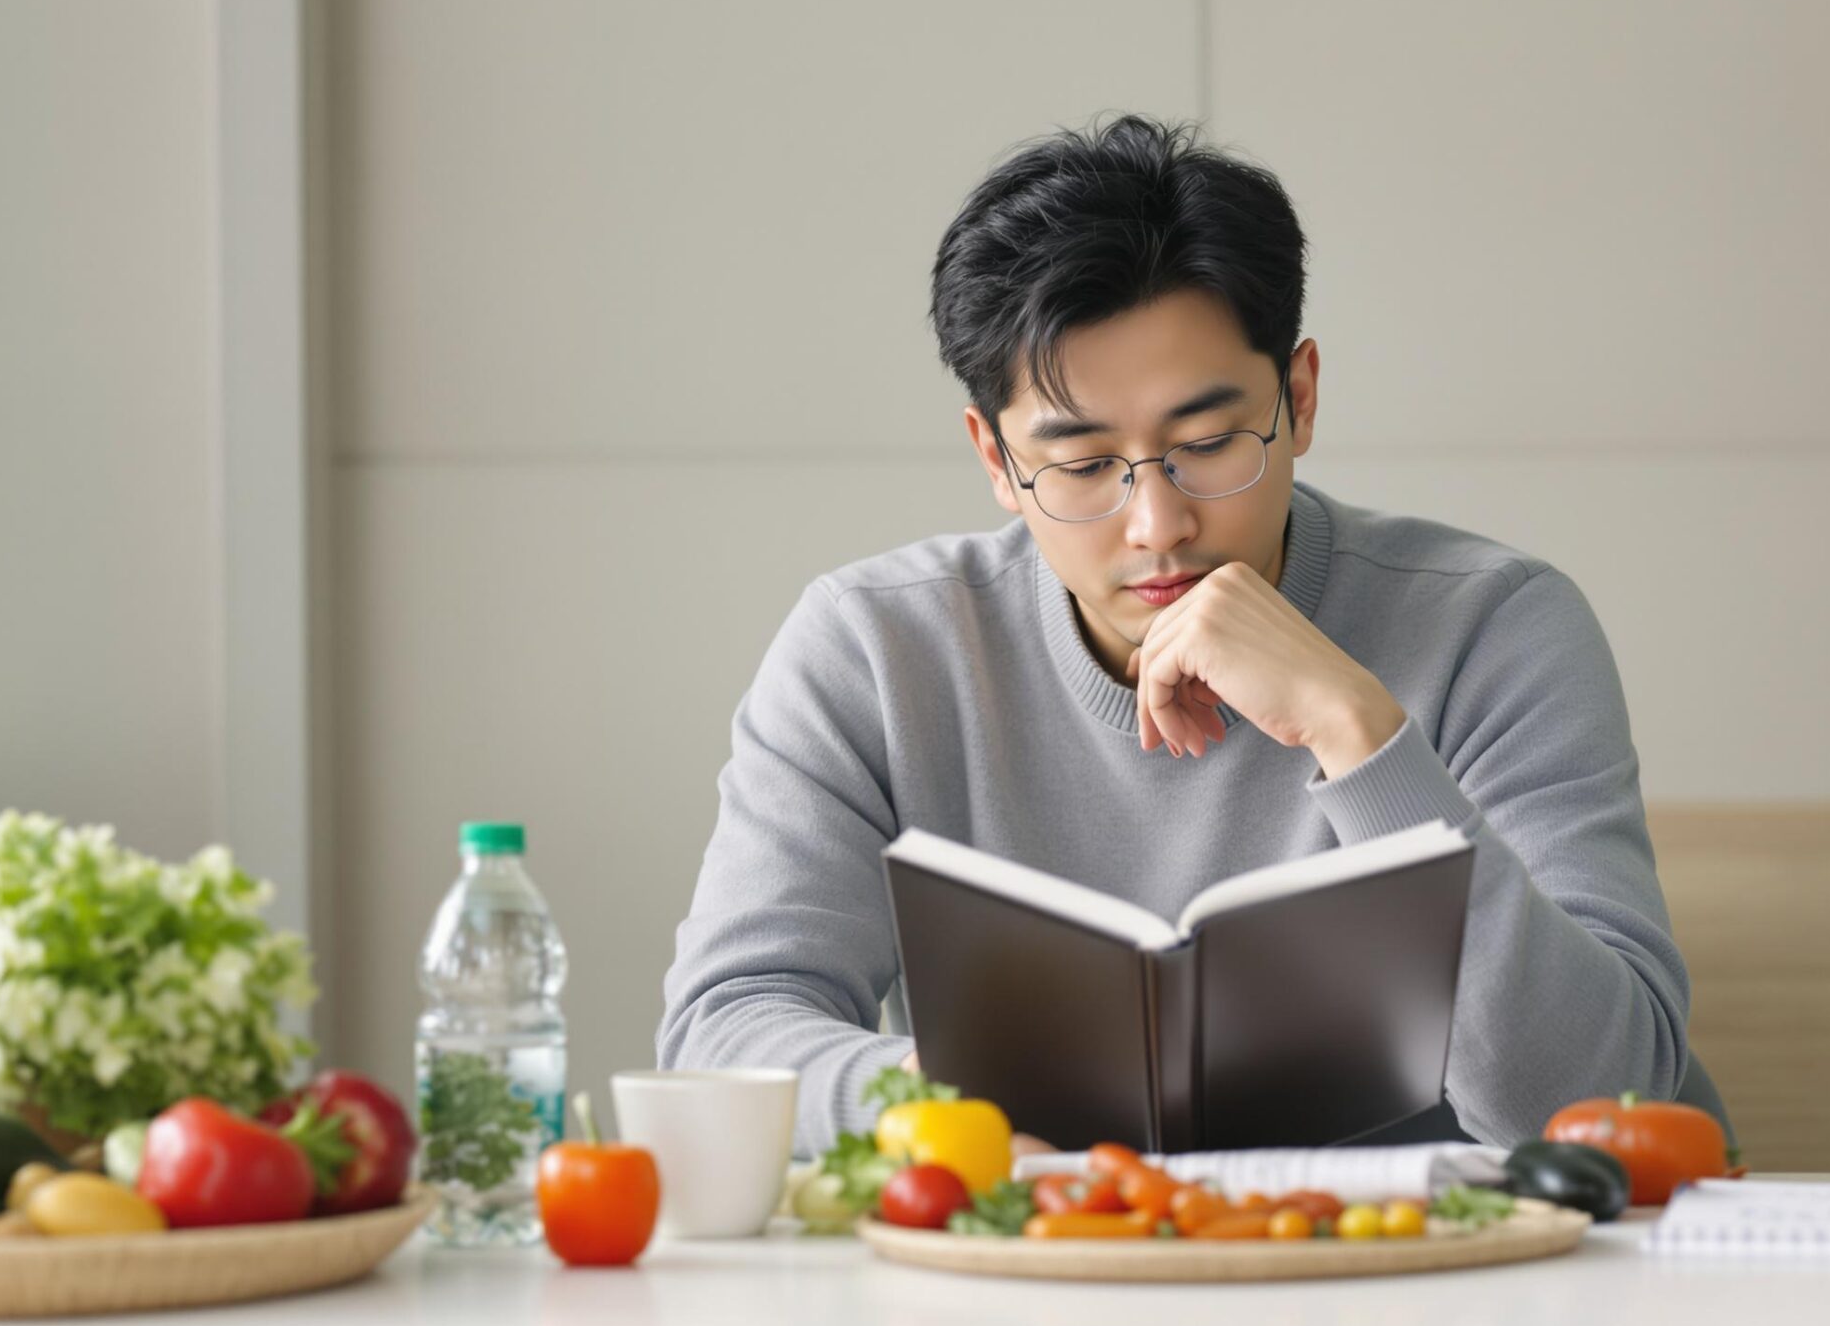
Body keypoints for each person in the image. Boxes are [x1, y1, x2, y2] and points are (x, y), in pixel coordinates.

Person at [658, 112, 1696, 1159]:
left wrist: (1365, 740)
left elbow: (1605, 1107)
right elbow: (720, 1029)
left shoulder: (1495, 625)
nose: (1157, 526)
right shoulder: (876, 651)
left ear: (1298, 397)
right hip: (1041, 1280)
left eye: (1206, 443)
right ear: (993, 458)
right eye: (1079, 465)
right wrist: (951, 1094)